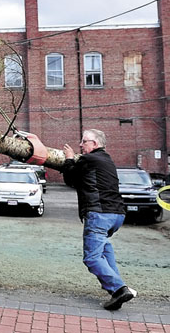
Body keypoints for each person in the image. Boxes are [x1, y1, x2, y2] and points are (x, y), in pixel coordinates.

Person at [60, 129, 136, 310]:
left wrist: (69, 158)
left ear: (95, 144)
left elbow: (70, 178)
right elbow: (82, 181)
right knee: (104, 251)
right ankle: (117, 293)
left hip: (99, 214)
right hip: (116, 215)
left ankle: (119, 288)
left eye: (84, 141)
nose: (80, 145)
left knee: (92, 258)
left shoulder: (89, 159)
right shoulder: (107, 160)